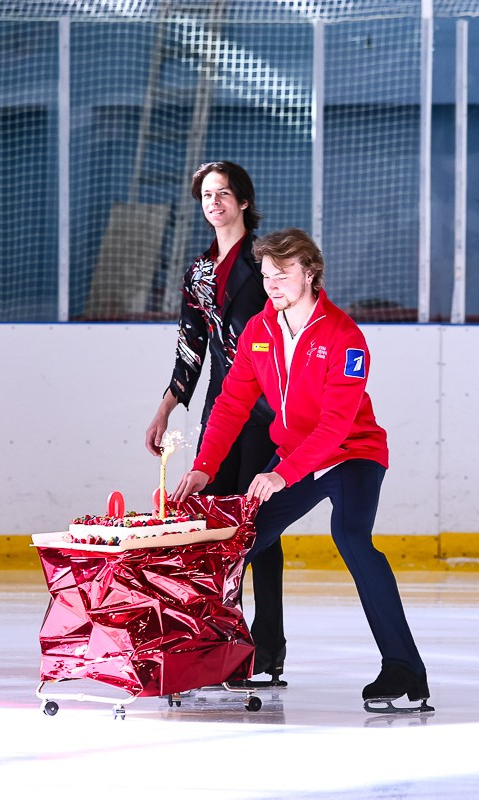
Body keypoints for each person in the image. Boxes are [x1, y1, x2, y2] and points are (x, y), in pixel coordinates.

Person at [171, 227, 432, 714]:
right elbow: (231, 403)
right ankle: (220, 655)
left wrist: (280, 475)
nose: (272, 282)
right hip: (293, 456)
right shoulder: (258, 331)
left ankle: (403, 667)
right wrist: (205, 467)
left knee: (353, 538)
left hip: (351, 453)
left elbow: (335, 427)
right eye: (266, 273)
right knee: (239, 543)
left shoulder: (344, 336)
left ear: (310, 272)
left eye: (283, 272)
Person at [145, 161, 286, 686]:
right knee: (212, 531)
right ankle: (220, 643)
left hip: (268, 411)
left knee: (256, 530)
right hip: (220, 411)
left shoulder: (269, 262)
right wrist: (165, 407)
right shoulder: (198, 273)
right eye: (207, 194)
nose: (214, 202)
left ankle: (266, 649)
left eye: (224, 193)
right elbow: (191, 349)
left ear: (244, 201)